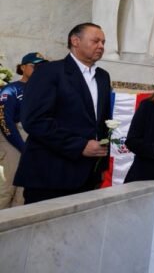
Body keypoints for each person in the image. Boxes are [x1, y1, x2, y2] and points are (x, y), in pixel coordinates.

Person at [14, 23, 113, 204]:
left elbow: (101, 121)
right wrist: (79, 145)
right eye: (96, 41)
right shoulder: (49, 72)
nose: (101, 46)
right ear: (75, 41)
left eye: (103, 42)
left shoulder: (103, 77)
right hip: (50, 174)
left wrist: (102, 163)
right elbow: (34, 120)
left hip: (88, 175)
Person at [0, 52, 47, 208]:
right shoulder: (11, 89)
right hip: (12, 140)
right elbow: (4, 120)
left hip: (34, 141)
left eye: (42, 67)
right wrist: (21, 146)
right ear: (23, 67)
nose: (38, 69)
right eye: (35, 66)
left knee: (24, 192)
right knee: (7, 189)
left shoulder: (44, 91)